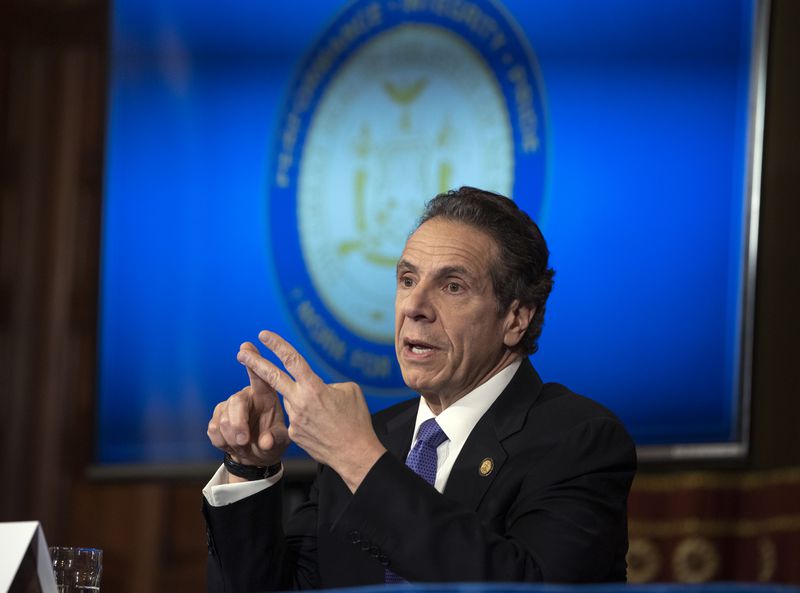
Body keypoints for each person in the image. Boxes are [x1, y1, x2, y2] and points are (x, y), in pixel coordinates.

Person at [202, 186, 636, 591]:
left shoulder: (578, 440)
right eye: (408, 280)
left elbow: (525, 582)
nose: (414, 307)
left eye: (452, 286)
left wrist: (358, 458)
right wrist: (248, 469)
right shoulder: (373, 437)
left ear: (516, 319)